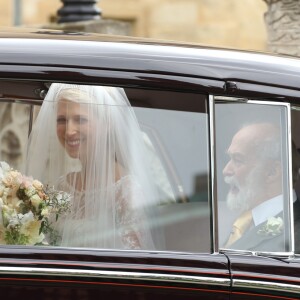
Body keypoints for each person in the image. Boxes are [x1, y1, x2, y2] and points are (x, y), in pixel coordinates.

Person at [25, 83, 164, 250]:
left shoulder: (126, 191)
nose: (69, 131)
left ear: (108, 123)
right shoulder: (63, 186)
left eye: (80, 119)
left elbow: (134, 261)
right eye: (62, 120)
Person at [221, 122, 291, 252]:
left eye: (238, 160)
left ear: (272, 172)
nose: (226, 170)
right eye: (229, 159)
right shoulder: (246, 219)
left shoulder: (294, 232)